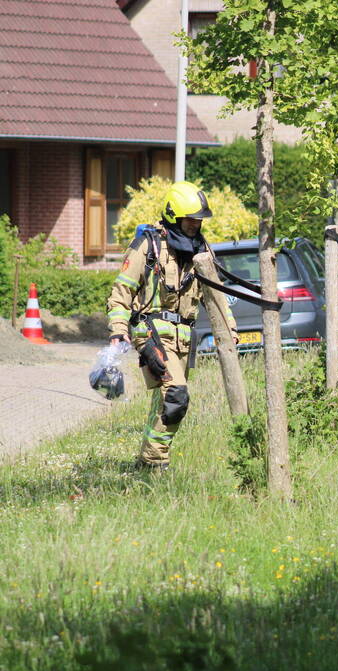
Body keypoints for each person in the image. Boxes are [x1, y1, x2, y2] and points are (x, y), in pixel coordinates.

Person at [106, 181, 237, 470]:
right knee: (177, 396)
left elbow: (216, 297)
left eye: (199, 220)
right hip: (151, 334)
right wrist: (118, 329)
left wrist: (231, 329)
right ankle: (155, 463)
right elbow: (121, 292)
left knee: (164, 402)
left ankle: (144, 461)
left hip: (183, 340)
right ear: (174, 216)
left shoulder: (201, 250)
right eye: (190, 220)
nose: (195, 225)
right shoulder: (149, 244)